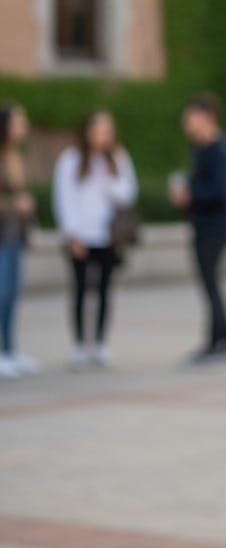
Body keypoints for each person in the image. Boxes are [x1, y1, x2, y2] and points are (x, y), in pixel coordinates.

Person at [52, 111, 138, 368]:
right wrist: (71, 233)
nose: (102, 136)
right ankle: (79, 344)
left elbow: (128, 194)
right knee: (79, 290)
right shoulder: (71, 159)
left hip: (108, 236)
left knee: (104, 289)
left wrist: (110, 177)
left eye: (106, 131)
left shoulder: (118, 158)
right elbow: (64, 198)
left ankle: (100, 343)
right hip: (81, 235)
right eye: (98, 130)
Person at [169, 93, 226, 364]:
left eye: (191, 116)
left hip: (216, 226)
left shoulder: (220, 148)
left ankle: (221, 341)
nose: (187, 122)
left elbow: (221, 190)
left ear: (207, 116)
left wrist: (190, 194)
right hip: (204, 224)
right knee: (210, 283)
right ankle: (218, 339)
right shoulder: (201, 148)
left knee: (211, 282)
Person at [0, 102, 39, 380]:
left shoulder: (15, 155)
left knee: (12, 294)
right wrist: (16, 204)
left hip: (14, 234)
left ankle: (10, 349)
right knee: (1, 293)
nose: (23, 126)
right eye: (19, 121)